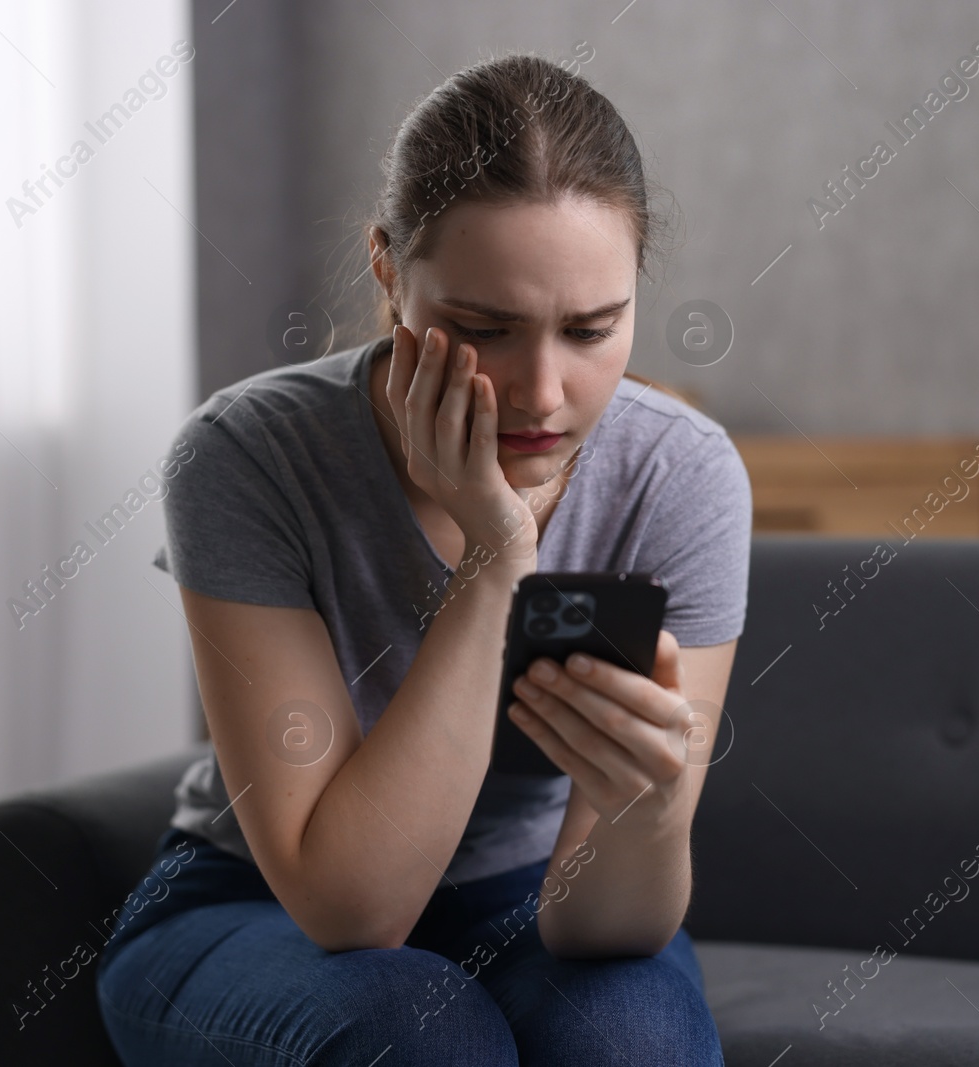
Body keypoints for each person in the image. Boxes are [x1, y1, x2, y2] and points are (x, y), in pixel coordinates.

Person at [94, 49, 752, 1066]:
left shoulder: (681, 472)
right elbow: (352, 907)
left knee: (635, 1043)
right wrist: (496, 554)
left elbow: (601, 925)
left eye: (591, 329)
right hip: (252, 900)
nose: (541, 392)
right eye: (483, 328)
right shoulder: (246, 454)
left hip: (528, 897)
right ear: (389, 272)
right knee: (414, 1030)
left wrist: (649, 805)